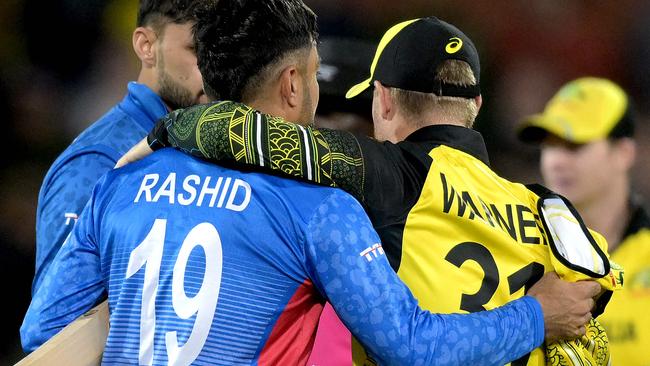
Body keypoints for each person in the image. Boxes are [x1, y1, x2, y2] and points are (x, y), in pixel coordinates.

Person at [19, 2, 594, 365]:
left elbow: (43, 332)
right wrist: (537, 316)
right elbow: (413, 347)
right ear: (294, 83)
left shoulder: (119, 182)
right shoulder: (320, 209)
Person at [31, 0, 207, 294]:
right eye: (197, 50)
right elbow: (56, 330)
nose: (213, 69)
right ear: (146, 46)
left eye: (222, 54)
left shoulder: (210, 146)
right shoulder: (94, 163)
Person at [518, 77, 650, 366]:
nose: (555, 161)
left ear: (624, 153)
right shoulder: (521, 249)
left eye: (574, 145)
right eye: (549, 145)